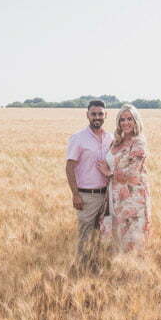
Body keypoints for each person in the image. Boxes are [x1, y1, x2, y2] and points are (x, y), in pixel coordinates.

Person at [66, 100, 114, 271]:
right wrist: (75, 194)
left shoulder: (111, 138)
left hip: (107, 195)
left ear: (106, 115)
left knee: (103, 235)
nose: (97, 117)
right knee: (85, 236)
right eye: (93, 114)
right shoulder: (78, 138)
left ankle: (97, 269)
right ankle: (81, 270)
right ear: (87, 115)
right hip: (87, 196)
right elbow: (69, 167)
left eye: (100, 114)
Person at [96, 104, 151, 253]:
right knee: (114, 238)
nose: (125, 122)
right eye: (122, 119)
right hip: (114, 196)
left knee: (131, 240)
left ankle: (131, 267)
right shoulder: (116, 142)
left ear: (136, 120)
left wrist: (109, 173)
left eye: (129, 119)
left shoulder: (138, 142)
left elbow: (133, 173)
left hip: (132, 199)